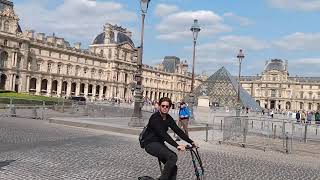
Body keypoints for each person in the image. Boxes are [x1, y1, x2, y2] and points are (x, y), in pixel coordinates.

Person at [142, 97, 197, 180]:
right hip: (150, 143)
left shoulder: (168, 118)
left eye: (167, 106)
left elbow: (178, 130)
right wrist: (177, 145)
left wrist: (191, 142)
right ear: (159, 106)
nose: (164, 108)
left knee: (173, 168)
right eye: (163, 106)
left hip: (159, 143)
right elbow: (163, 134)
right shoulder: (155, 118)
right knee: (173, 156)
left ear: (169, 107)